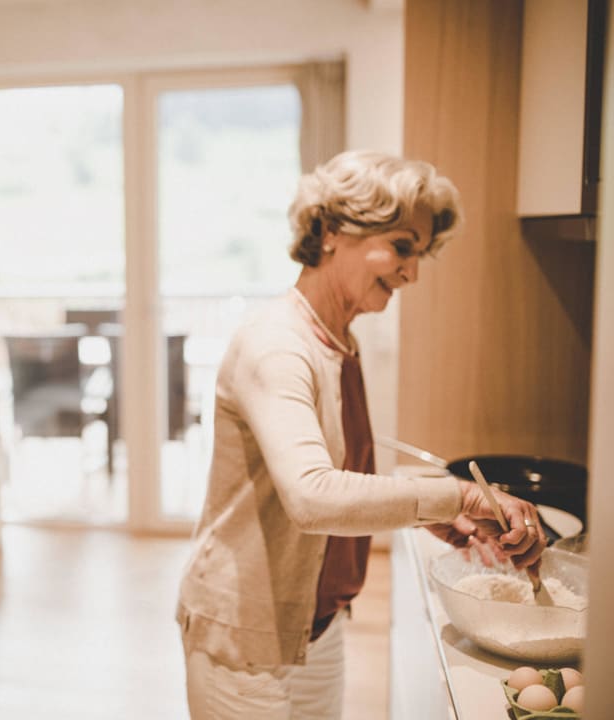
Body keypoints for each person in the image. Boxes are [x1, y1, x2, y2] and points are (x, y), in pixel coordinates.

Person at [175, 150, 547, 720]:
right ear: (331, 231)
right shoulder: (278, 344)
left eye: (419, 253)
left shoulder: (338, 338)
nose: (412, 272)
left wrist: (427, 514)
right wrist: (461, 496)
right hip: (247, 636)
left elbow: (341, 475)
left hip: (316, 622)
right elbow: (312, 495)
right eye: (401, 246)